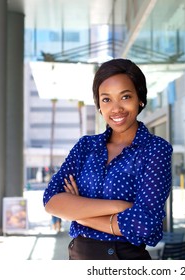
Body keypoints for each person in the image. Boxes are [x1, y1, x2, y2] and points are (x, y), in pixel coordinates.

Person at [43, 58, 173, 260]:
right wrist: (120, 207)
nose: (116, 108)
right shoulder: (85, 147)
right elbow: (51, 200)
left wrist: (77, 211)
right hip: (79, 258)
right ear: (99, 105)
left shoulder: (156, 150)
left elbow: (146, 225)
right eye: (106, 99)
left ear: (140, 98)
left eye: (125, 96)